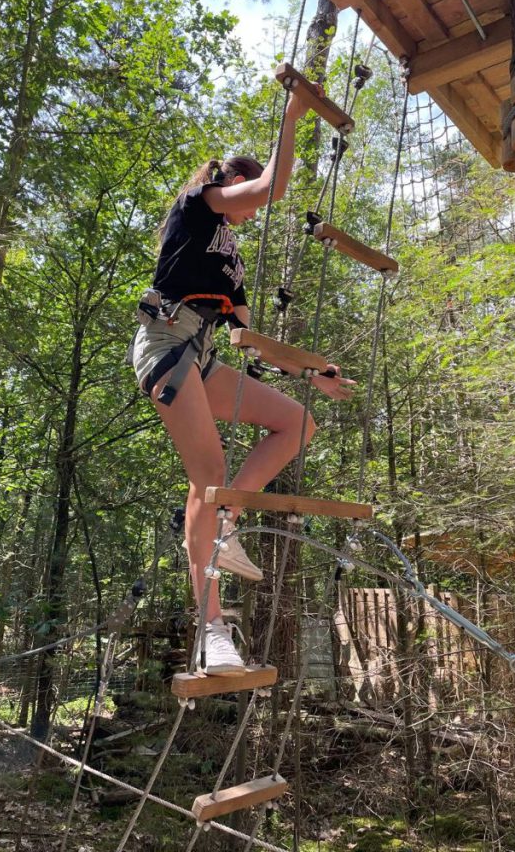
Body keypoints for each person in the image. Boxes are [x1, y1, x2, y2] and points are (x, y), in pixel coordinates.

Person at [129, 89, 356, 676]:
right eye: (247, 200)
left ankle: (227, 527)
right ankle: (211, 629)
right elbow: (272, 190)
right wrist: (293, 116)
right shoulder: (199, 203)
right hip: (167, 345)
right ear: (230, 182)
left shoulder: (230, 257)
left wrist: (316, 372)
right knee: (209, 476)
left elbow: (249, 341)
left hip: (203, 355)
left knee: (294, 423)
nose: (253, 213)